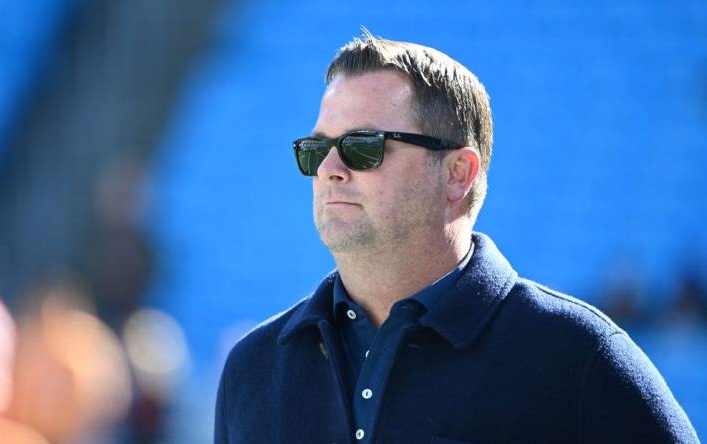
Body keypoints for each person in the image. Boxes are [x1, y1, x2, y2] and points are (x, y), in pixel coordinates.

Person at [214, 31, 699, 443]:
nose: (330, 169)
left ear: (458, 173)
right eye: (317, 148)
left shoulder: (579, 357)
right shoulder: (252, 367)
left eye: (363, 146)